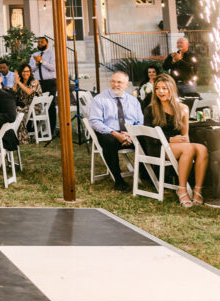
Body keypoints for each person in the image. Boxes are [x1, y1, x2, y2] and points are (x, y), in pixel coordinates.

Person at [146, 73, 208, 206]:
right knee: (188, 149)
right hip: (158, 146)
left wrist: (182, 142)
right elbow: (148, 136)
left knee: (202, 149)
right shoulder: (150, 110)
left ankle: (197, 191)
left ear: (171, 89)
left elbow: (186, 136)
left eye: (164, 88)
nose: (160, 91)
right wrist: (169, 139)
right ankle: (182, 190)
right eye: (157, 88)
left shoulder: (183, 108)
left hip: (178, 145)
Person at [88, 71, 144, 192]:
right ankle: (118, 181)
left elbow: (140, 122)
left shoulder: (133, 101)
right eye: (113, 81)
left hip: (130, 134)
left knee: (147, 139)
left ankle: (148, 175)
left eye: (119, 82)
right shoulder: (99, 99)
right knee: (109, 141)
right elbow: (95, 121)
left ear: (126, 85)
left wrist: (130, 134)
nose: (115, 84)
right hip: (109, 133)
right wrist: (116, 134)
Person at [29, 36, 57, 130]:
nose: (39, 44)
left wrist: (42, 61)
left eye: (42, 42)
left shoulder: (52, 53)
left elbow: (53, 68)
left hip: (49, 82)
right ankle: (35, 128)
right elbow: (30, 69)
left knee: (50, 105)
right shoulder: (34, 54)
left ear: (47, 43)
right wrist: (36, 64)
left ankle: (51, 128)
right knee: (35, 104)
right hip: (37, 83)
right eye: (38, 42)